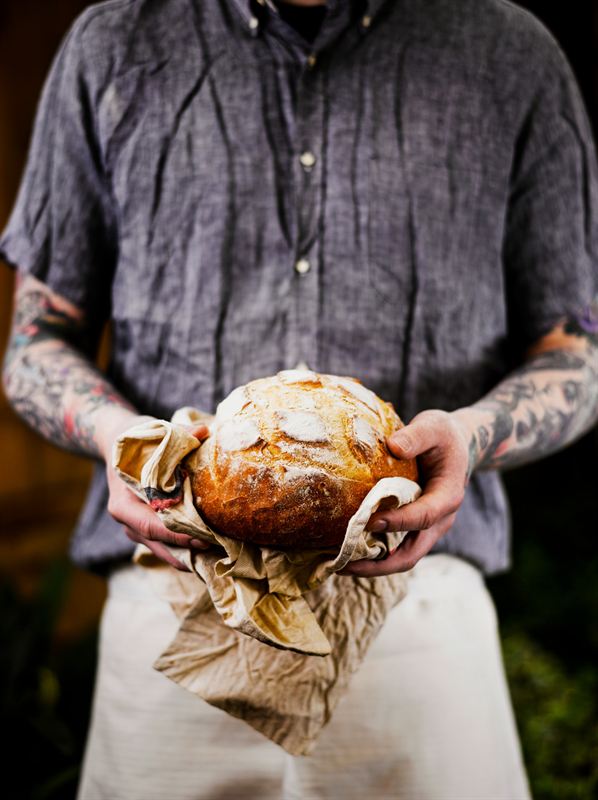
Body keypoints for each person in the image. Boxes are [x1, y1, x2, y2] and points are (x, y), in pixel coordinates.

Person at [2, 0, 597, 797]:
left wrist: (472, 434)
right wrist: (119, 437)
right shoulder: (115, 44)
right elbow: (36, 343)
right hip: (176, 614)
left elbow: (575, 355)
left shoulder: (506, 51)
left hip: (416, 614)